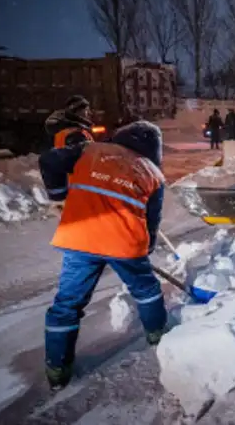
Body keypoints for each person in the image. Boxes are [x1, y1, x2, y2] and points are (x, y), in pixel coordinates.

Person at [38, 120, 167, 390]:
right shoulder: (154, 174)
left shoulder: (89, 150)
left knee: (67, 305)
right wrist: (147, 248)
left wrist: (59, 194)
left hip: (80, 238)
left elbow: (49, 160)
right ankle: (159, 338)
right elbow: (151, 221)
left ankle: (57, 369)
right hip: (124, 244)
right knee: (146, 290)